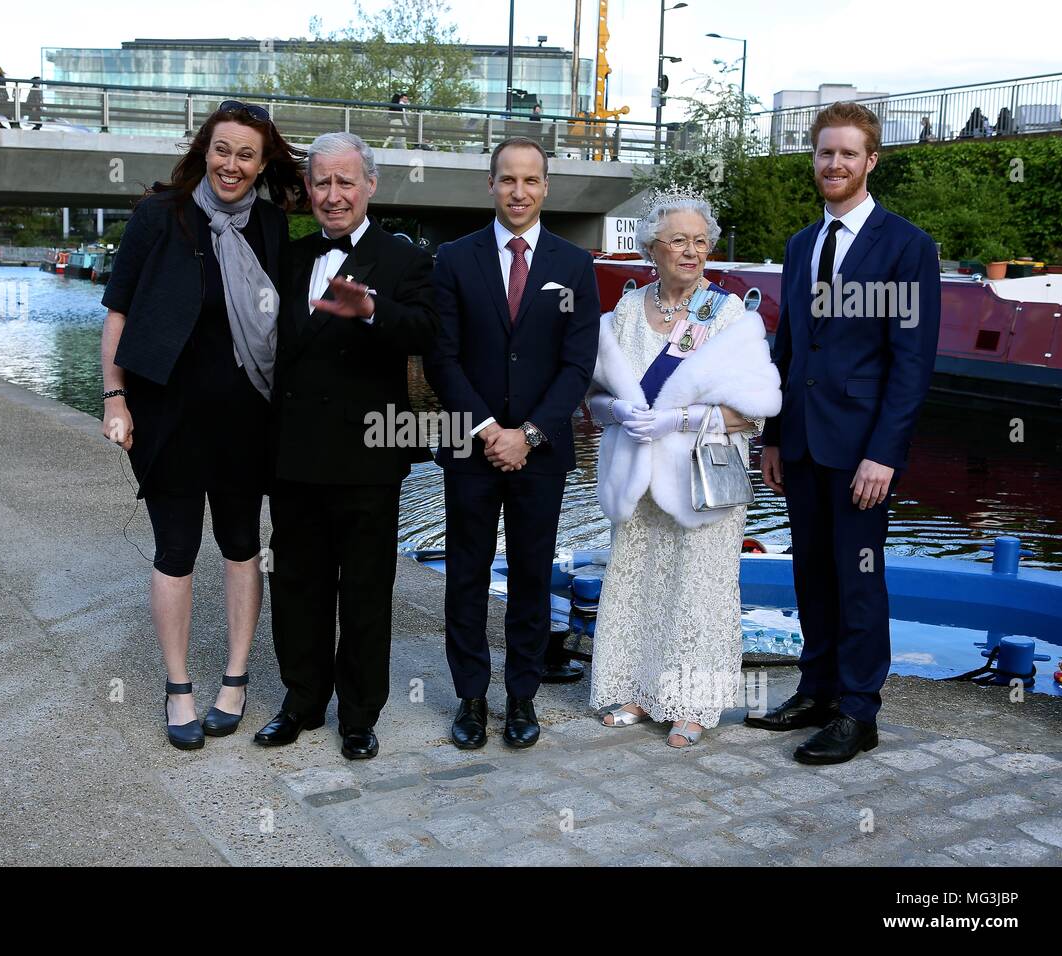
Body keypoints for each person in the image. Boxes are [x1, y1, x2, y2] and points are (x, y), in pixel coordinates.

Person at [99, 100, 303, 750]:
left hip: (247, 418)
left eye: (247, 154)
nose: (232, 165)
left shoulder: (270, 225)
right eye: (223, 150)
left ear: (262, 161)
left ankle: (235, 679)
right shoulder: (160, 216)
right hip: (169, 417)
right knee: (176, 551)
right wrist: (115, 399)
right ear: (204, 150)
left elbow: (285, 322)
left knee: (243, 545)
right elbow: (118, 315)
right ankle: (179, 686)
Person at [750, 101, 941, 764]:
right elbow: (789, 346)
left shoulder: (907, 246)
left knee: (858, 578)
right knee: (812, 574)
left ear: (870, 160)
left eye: (847, 154)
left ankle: (859, 712)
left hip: (862, 451)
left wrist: (883, 455)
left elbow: (912, 362)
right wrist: (772, 436)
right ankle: (818, 691)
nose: (834, 164)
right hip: (801, 442)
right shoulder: (803, 244)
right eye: (824, 153)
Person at [255, 132, 440, 759]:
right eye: (322, 183)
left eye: (345, 182)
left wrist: (370, 310)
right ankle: (301, 701)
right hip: (295, 455)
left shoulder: (404, 259)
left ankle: (360, 715)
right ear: (308, 190)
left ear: (370, 186)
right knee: (297, 586)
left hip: (369, 456)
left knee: (365, 592)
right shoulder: (288, 252)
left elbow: (426, 330)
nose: (334, 195)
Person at [423, 136, 600, 750]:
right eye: (507, 180)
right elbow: (441, 359)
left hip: (542, 451)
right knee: (466, 575)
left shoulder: (574, 265)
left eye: (530, 180)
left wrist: (527, 434)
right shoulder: (453, 258)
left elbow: (578, 365)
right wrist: (487, 431)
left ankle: (522, 696)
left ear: (546, 186)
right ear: (490, 185)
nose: (518, 191)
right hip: (470, 448)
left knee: (531, 575)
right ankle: (471, 698)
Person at [586, 192, 780, 748]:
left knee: (698, 587)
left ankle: (693, 703)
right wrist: (617, 410)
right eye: (678, 241)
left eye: (700, 241)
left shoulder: (728, 317)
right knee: (640, 578)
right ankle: (638, 689)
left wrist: (682, 417)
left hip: (702, 474)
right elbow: (596, 400)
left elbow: (755, 410)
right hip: (637, 470)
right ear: (652, 248)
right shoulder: (625, 312)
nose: (690, 252)